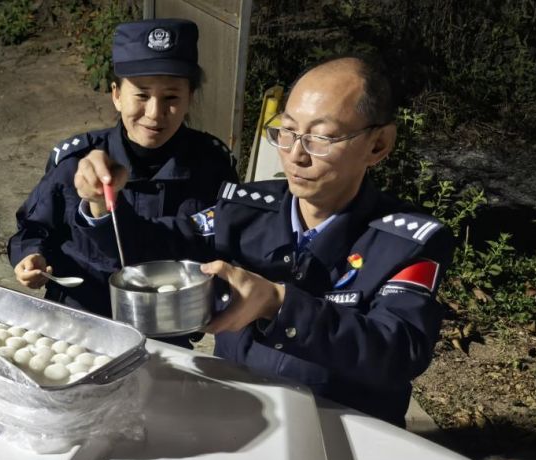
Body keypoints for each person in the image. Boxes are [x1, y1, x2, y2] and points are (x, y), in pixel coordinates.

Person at [188, 56, 453, 425]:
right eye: (287, 130)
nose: (295, 155)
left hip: (340, 437)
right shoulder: (245, 211)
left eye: (322, 138)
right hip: (238, 418)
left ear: (378, 145)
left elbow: (397, 350)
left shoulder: (405, 243)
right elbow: (160, 242)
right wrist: (99, 207)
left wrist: (280, 305)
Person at [7, 19, 238, 316]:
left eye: (171, 98)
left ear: (189, 98)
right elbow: (33, 226)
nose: (155, 114)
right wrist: (30, 256)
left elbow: (227, 249)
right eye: (141, 95)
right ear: (117, 95)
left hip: (165, 327)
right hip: (78, 320)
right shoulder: (77, 161)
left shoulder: (212, 167)